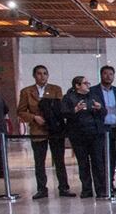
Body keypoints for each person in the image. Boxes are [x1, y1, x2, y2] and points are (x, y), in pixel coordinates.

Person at [17, 65, 74, 199]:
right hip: (38, 129)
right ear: (34, 75)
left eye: (44, 73)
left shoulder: (55, 89)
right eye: (39, 73)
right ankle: (42, 189)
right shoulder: (26, 92)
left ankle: (64, 187)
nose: (42, 76)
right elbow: (21, 111)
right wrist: (34, 117)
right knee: (39, 161)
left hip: (55, 129)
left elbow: (59, 108)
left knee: (59, 160)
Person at [62, 76, 107, 199]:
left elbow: (104, 112)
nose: (88, 85)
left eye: (88, 83)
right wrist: (75, 110)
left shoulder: (94, 95)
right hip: (78, 135)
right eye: (85, 83)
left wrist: (100, 108)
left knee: (98, 162)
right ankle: (86, 189)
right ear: (77, 85)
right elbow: (64, 113)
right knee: (83, 163)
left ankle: (101, 189)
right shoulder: (69, 98)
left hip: (95, 134)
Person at [90, 65, 116, 197]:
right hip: (100, 130)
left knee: (112, 159)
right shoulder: (93, 92)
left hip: (115, 129)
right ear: (101, 75)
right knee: (99, 160)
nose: (108, 76)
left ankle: (109, 184)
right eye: (105, 74)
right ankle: (101, 188)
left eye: (111, 74)